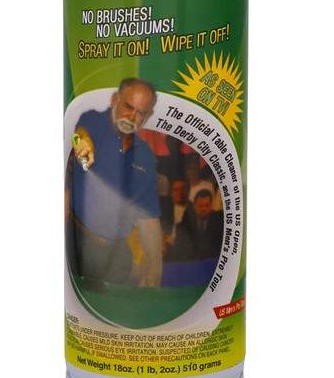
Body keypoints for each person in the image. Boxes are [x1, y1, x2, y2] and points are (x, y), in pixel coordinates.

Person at [66, 78, 163, 288]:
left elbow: (148, 219)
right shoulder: (93, 120)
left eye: (141, 112)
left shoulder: (145, 155)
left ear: (148, 116)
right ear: (114, 99)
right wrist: (83, 143)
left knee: (113, 307)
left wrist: (155, 269)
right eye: (128, 106)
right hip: (79, 244)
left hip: (118, 255)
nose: (132, 117)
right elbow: (80, 133)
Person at [175, 188, 223, 261]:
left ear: (211, 206)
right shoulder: (184, 225)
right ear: (194, 206)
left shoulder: (219, 223)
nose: (203, 209)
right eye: (200, 206)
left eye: (206, 205)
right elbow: (181, 252)